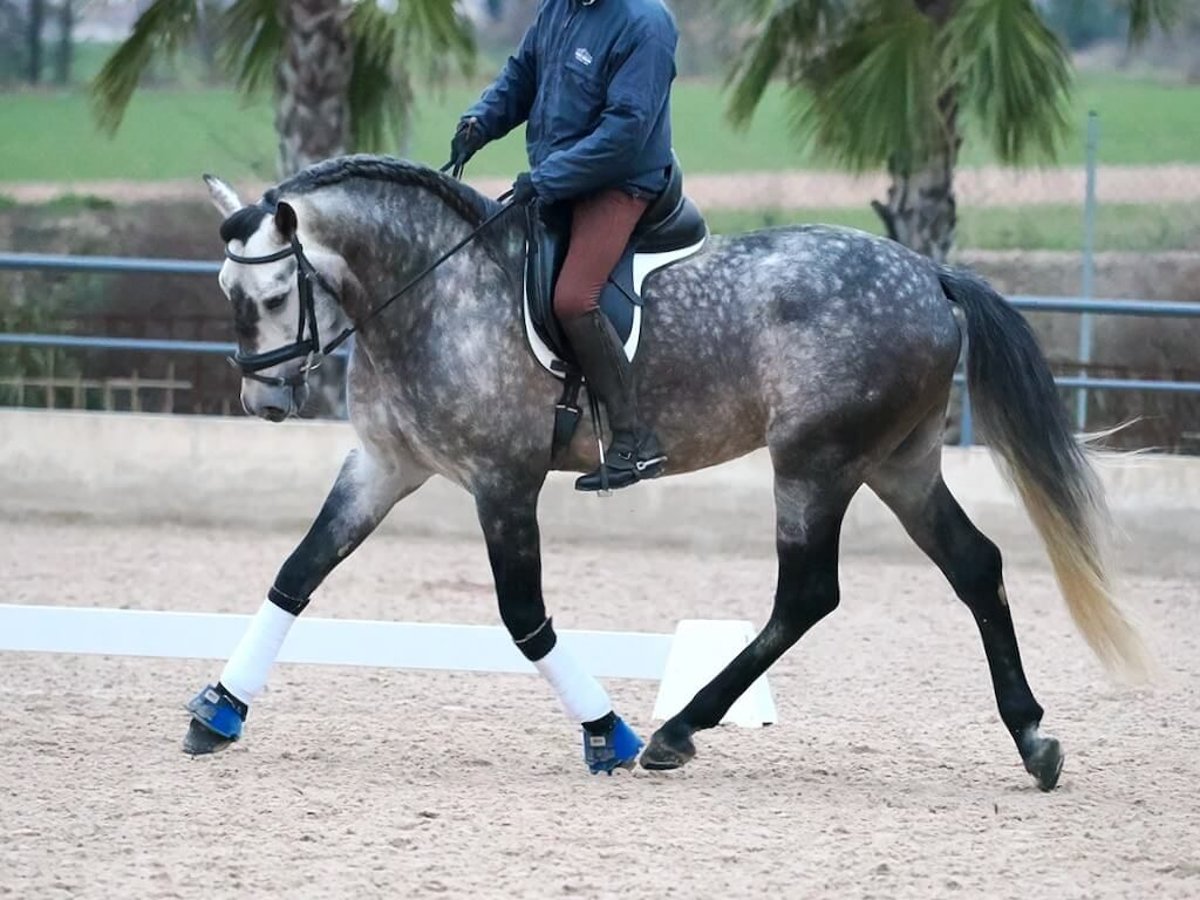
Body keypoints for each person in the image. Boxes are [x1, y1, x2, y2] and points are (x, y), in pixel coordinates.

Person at [450, 0, 678, 492]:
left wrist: (548, 178)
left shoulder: (646, 24)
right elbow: (522, 75)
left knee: (573, 298)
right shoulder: (560, 8)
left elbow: (626, 132)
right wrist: (479, 123)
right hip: (561, 177)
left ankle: (634, 439)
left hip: (621, 181)